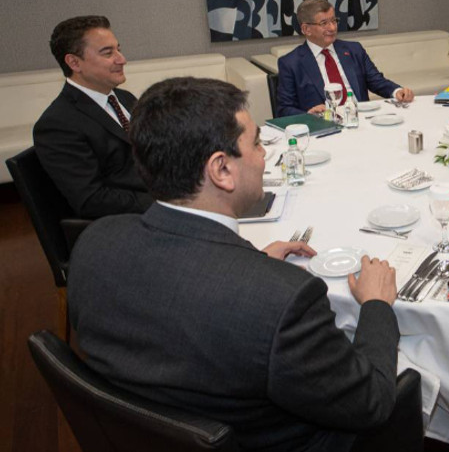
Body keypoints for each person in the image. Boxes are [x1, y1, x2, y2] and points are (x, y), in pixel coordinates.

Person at [68, 77, 402, 451]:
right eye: (257, 143)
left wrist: (250, 264)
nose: (264, 156)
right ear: (221, 170)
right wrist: (376, 305)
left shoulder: (95, 242)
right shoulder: (280, 299)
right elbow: (371, 402)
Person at [33, 16, 153, 218]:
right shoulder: (58, 125)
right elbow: (92, 200)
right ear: (74, 62)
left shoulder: (124, 98)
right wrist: (166, 204)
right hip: (130, 218)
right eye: (108, 53)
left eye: (118, 49)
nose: (122, 59)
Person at [276, 0, 414, 116]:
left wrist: (397, 91)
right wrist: (309, 115)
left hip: (361, 120)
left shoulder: (354, 50)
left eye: (334, 21)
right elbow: (284, 109)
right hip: (325, 125)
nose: (332, 28)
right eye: (324, 23)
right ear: (306, 29)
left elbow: (376, 80)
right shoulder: (291, 63)